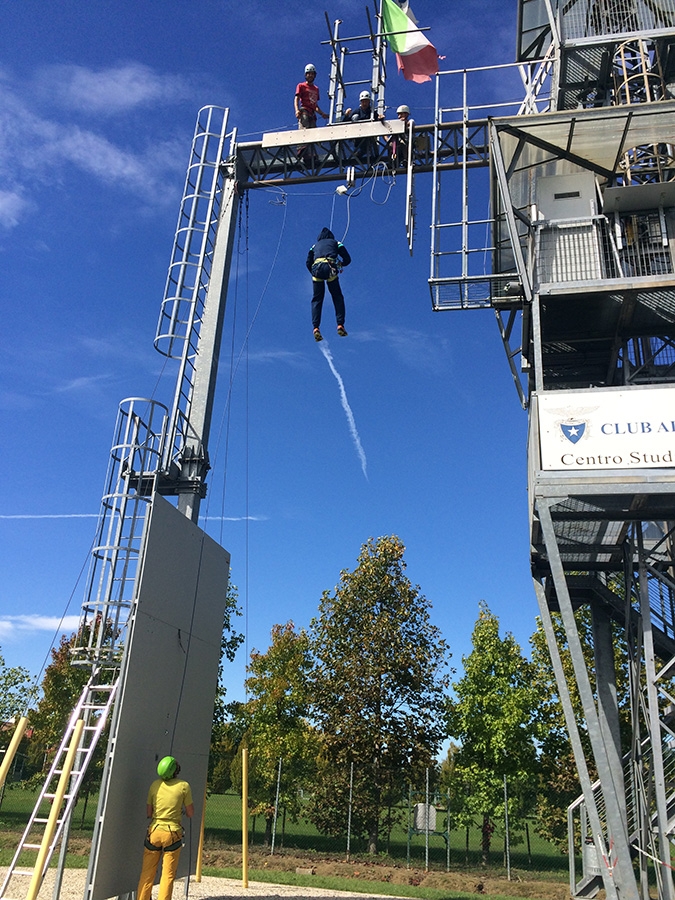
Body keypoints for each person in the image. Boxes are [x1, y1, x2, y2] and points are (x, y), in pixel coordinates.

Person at [136, 756, 194, 900]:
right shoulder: (184, 786)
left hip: (154, 832)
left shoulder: (154, 785)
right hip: (172, 833)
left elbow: (149, 813)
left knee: (147, 873)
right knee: (167, 875)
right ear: (175, 770)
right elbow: (191, 813)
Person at [306, 227, 351, 341]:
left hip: (316, 270)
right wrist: (341, 263)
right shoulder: (336, 243)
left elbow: (308, 262)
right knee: (337, 297)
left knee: (317, 299)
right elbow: (348, 259)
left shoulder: (314, 246)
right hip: (330, 267)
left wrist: (313, 271)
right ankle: (340, 324)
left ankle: (316, 327)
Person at [342, 91, 383, 163]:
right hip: (357, 136)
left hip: (368, 136)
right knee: (355, 117)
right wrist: (346, 116)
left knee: (365, 146)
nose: (364, 103)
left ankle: (360, 153)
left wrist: (380, 118)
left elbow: (378, 120)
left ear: (369, 102)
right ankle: (359, 151)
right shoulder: (356, 111)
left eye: (366, 101)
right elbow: (345, 123)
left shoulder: (372, 113)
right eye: (363, 101)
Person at [294, 64, 329, 130]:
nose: (310, 76)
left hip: (312, 114)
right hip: (304, 111)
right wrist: (297, 110)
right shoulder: (301, 85)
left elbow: (315, 105)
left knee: (313, 132)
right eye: (309, 74)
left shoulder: (316, 89)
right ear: (306, 75)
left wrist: (322, 114)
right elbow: (296, 98)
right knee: (304, 129)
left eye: (312, 74)